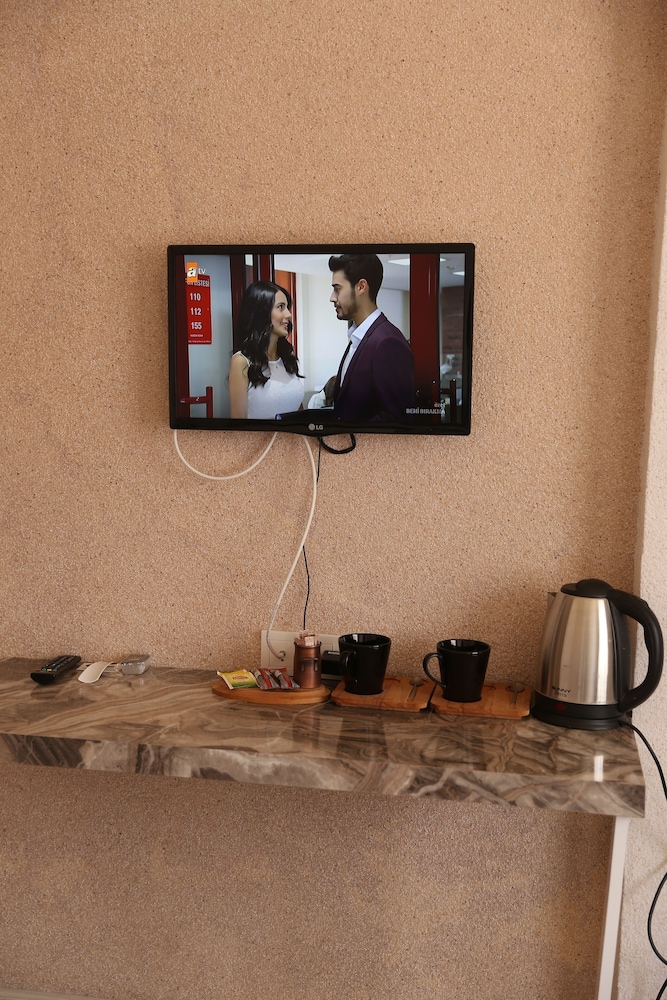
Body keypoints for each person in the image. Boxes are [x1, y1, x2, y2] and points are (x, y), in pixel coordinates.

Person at [328, 253, 415, 422]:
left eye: (337, 289)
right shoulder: (358, 337)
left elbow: (397, 417)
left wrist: (353, 434)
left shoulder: (387, 342)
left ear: (361, 287)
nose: (332, 297)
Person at [228, 280, 305, 419]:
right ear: (261, 312)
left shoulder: (287, 359)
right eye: (281, 307)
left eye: (287, 307)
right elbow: (239, 424)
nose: (288, 314)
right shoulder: (241, 361)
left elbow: (298, 411)